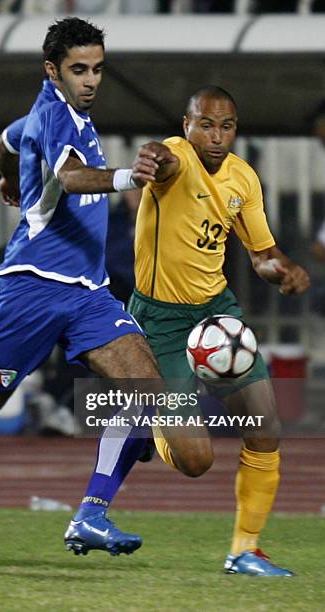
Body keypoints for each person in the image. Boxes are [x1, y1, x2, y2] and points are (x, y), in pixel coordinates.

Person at [0, 17, 176, 556]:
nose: (91, 80)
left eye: (97, 69)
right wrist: (128, 178)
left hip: (87, 292)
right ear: (53, 70)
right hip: (31, 288)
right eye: (79, 70)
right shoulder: (54, 117)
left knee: (147, 389)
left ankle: (90, 516)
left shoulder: (52, 119)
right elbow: (70, 179)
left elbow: (4, 142)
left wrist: (6, 174)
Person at [127, 85, 310, 576]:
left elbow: (261, 255)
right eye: (205, 124)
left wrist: (284, 270)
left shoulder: (243, 179)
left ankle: (244, 550)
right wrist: (152, 157)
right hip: (160, 320)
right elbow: (160, 160)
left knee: (265, 426)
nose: (216, 135)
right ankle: (152, 425)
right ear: (186, 124)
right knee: (195, 461)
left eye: (226, 126)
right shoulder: (177, 160)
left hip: (217, 316)